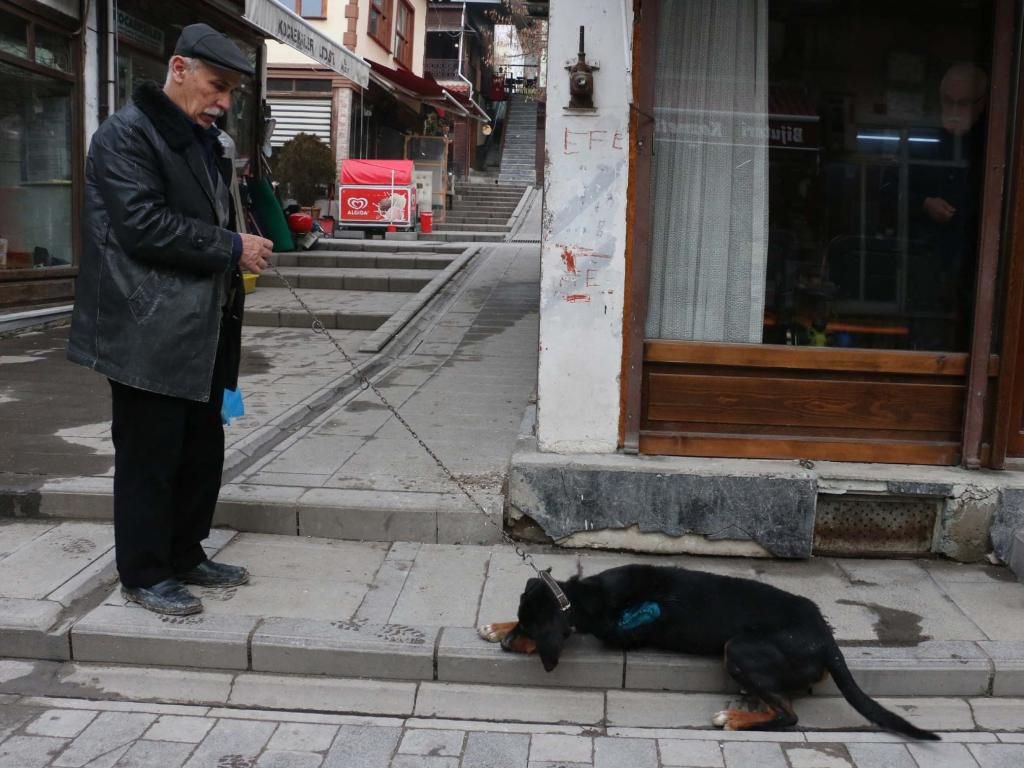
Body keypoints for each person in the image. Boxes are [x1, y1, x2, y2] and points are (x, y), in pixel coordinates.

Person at [67, 24, 274, 615]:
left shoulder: (204, 140)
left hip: (203, 327)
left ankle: (186, 552)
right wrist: (231, 247)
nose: (225, 102)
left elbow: (206, 215)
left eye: (233, 91)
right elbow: (143, 226)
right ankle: (144, 572)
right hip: (145, 329)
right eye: (218, 86)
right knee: (150, 457)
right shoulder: (124, 137)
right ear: (179, 69)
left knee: (200, 449)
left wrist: (236, 246)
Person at [906, 62, 988, 350]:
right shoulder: (920, 136)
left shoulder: (995, 141)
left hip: (976, 260)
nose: (953, 109)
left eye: (962, 103)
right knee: (925, 337)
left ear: (981, 103)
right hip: (925, 257)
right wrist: (924, 204)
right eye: (948, 101)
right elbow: (890, 192)